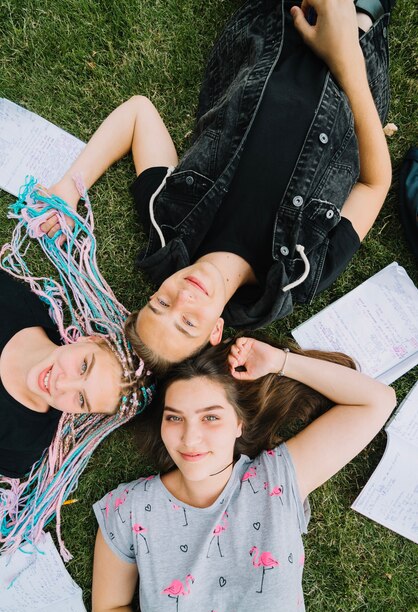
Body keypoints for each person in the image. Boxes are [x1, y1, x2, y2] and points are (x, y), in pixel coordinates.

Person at [43, 0, 394, 371]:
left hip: (272, 27)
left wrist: (68, 188)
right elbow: (374, 184)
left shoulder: (168, 217)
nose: (183, 297)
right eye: (188, 323)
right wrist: (347, 60)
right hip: (355, 45)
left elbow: (137, 113)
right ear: (217, 332)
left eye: (160, 304)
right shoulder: (299, 277)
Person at [91, 334, 396, 612]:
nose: (190, 438)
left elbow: (377, 401)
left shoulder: (275, 480)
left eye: (210, 417)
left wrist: (279, 361)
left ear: (238, 424)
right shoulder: (129, 508)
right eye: (174, 417)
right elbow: (109, 608)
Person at [0, 178, 153, 560]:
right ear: (90, 340)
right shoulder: (18, 305)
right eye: (83, 365)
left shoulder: (21, 444)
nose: (63, 383)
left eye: (80, 399)